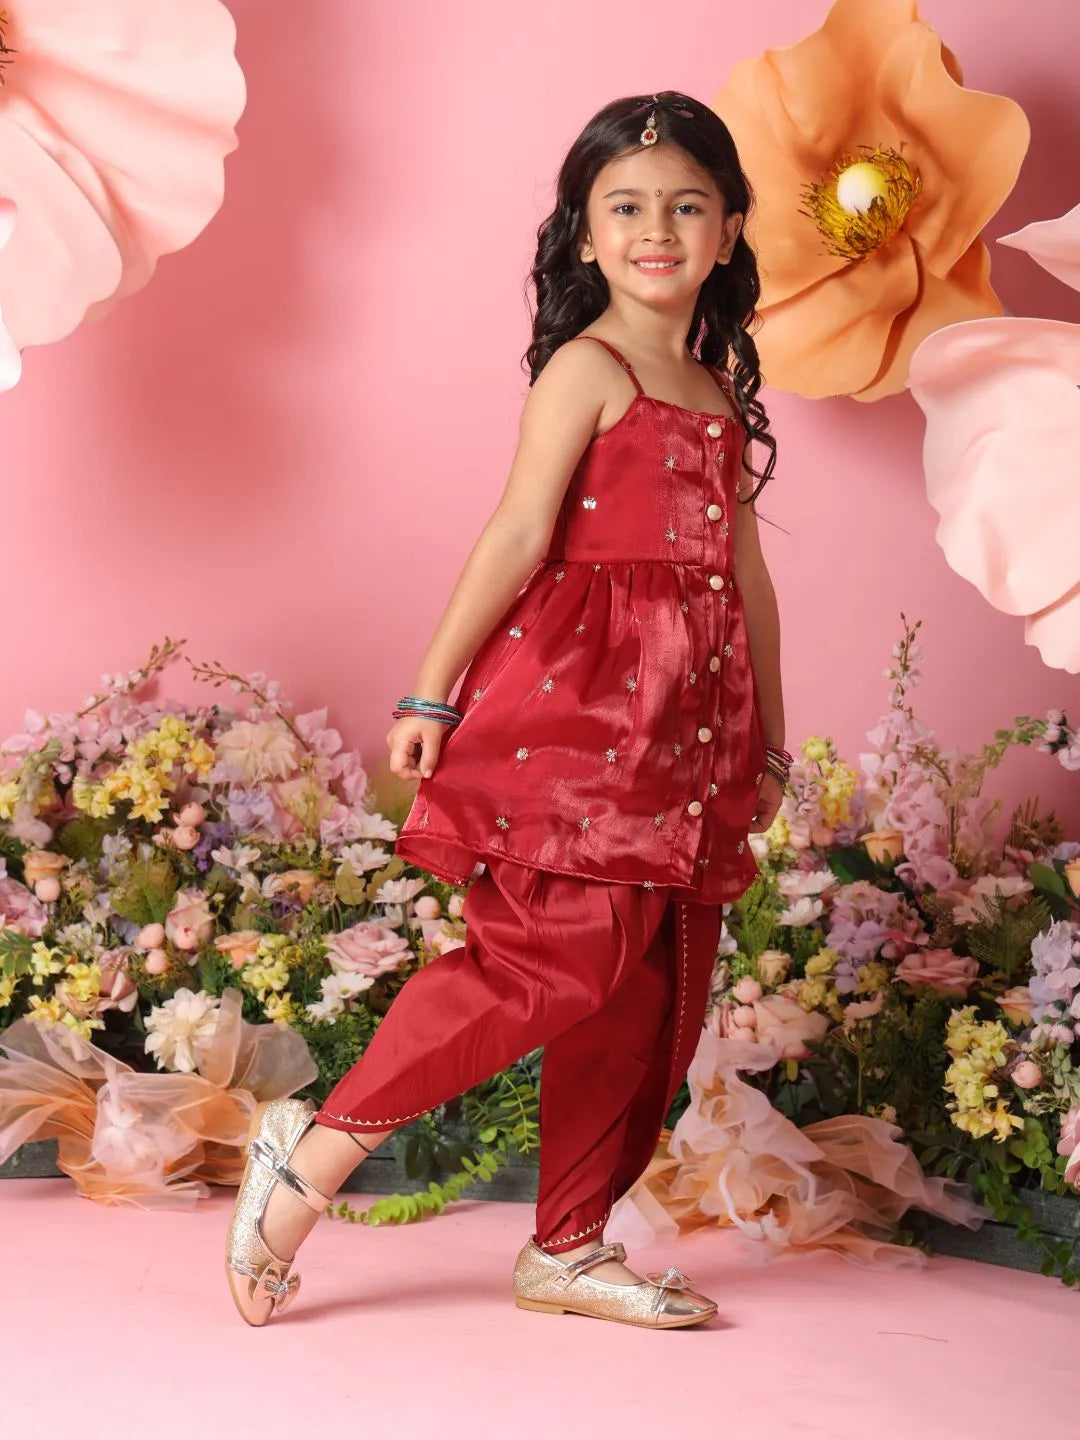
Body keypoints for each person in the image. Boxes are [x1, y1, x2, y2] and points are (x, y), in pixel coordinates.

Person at [225, 89, 790, 1330]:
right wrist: (434, 686)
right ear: (583, 235)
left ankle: (571, 1243)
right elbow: (519, 531)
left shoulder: (712, 383)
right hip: (585, 715)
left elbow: (743, 576)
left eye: (687, 205)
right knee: (550, 961)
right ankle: (312, 1150)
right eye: (626, 207)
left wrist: (770, 732)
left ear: (731, 228)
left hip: (691, 732)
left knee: (649, 994)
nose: (658, 229)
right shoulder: (587, 368)